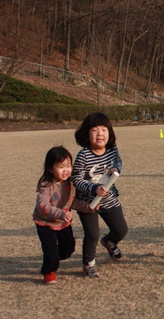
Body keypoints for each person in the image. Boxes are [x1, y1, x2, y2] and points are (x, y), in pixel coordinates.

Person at [71, 112, 128, 278]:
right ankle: (88, 264)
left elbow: (118, 161)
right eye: (95, 130)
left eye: (104, 129)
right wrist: (93, 188)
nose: (100, 134)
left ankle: (109, 242)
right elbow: (76, 179)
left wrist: (116, 169)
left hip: (109, 199)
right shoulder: (84, 155)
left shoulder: (112, 149)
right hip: (88, 203)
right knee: (92, 235)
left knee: (121, 230)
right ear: (87, 134)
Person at [33, 146, 96, 284]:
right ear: (50, 168)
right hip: (45, 223)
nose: (66, 170)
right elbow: (43, 206)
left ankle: (54, 258)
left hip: (62, 223)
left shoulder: (71, 183)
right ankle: (49, 271)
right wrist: (61, 213)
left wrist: (89, 207)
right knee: (50, 251)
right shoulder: (46, 185)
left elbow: (73, 202)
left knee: (68, 249)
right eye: (61, 166)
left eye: (68, 166)